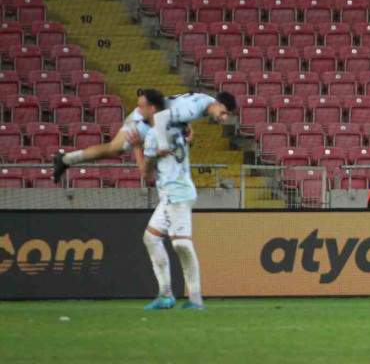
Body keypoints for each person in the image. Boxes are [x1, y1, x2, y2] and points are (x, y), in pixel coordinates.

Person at [52, 91, 237, 183]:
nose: (223, 118)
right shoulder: (194, 109)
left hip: (149, 117)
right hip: (144, 119)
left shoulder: (206, 101)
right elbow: (161, 116)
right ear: (218, 103)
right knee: (113, 149)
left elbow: (174, 107)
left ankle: (67, 159)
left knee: (113, 150)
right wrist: (160, 144)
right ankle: (66, 159)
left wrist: (186, 126)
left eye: (227, 115)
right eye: (224, 112)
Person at [133, 89, 205, 310]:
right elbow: (187, 141)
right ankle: (165, 295)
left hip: (177, 194)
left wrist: (136, 146)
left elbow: (145, 171)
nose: (139, 110)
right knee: (151, 238)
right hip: (172, 194)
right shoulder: (178, 126)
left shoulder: (155, 134)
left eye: (142, 106)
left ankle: (195, 298)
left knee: (181, 244)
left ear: (152, 108)